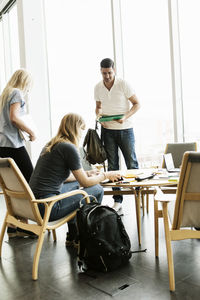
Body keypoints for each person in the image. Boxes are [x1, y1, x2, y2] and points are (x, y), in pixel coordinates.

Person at [29, 113, 122, 248]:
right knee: (96, 189)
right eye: (81, 130)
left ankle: (73, 235)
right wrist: (105, 175)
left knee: (74, 185)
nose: (81, 134)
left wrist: (88, 173)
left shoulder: (53, 144)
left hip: (34, 204)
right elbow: (85, 183)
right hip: (48, 208)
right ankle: (88, 235)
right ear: (76, 128)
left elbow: (65, 177)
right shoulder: (69, 147)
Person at [95, 58, 140, 212]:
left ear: (114, 70)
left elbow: (137, 104)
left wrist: (125, 117)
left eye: (109, 73)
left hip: (125, 129)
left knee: (131, 163)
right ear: (100, 71)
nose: (106, 76)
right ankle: (117, 200)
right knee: (113, 166)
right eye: (103, 73)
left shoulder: (123, 84)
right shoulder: (98, 87)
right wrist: (99, 116)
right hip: (107, 131)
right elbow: (98, 107)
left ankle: (138, 196)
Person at [0, 69, 37, 238]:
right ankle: (24, 225)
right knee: (30, 182)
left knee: (12, 186)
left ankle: (14, 227)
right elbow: (14, 118)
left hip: (2, 145)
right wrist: (31, 131)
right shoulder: (16, 93)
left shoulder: (4, 94)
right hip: (14, 146)